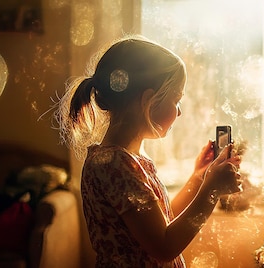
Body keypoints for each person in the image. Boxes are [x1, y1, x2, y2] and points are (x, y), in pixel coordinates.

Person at [54, 35, 242, 267]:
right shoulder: (114, 165)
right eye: (176, 99)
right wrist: (212, 190)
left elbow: (161, 222)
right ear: (149, 101)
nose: (180, 111)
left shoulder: (130, 160)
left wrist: (197, 178)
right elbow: (164, 247)